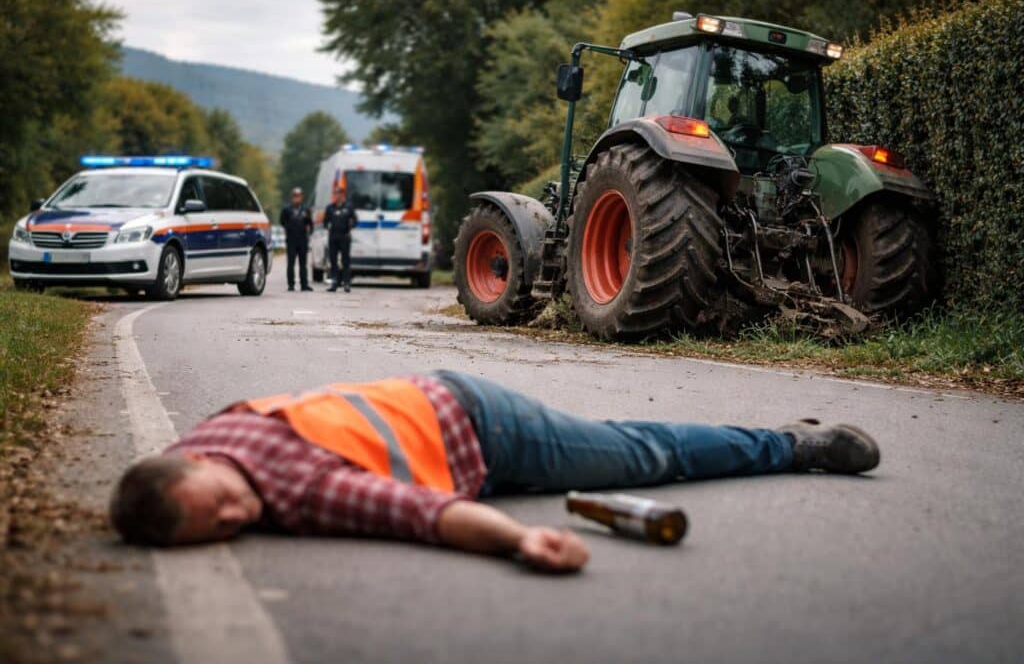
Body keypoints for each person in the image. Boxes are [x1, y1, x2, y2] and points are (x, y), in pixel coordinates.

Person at [109, 371, 880, 572]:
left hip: (483, 428)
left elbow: (423, 516)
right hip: (451, 439)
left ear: (204, 464)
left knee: (646, 455)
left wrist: (519, 543)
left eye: (223, 506)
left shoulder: (293, 483)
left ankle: (794, 443)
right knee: (631, 453)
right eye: (219, 531)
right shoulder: (196, 447)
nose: (242, 518)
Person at [323, 186, 358, 292]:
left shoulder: (349, 207)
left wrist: (351, 227)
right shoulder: (330, 208)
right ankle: (334, 282)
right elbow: (325, 221)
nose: (337, 196)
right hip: (333, 237)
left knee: (345, 261)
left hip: (344, 236)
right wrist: (327, 226)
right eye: (336, 194)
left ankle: (346, 283)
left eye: (339, 194)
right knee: (333, 260)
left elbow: (355, 220)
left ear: (343, 195)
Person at [280, 187, 313, 292]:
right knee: (291, 263)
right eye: (295, 196)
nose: (296, 198)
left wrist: (309, 233)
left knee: (303, 264)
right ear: (292, 197)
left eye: (298, 196)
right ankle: (291, 284)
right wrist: (288, 228)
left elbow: (310, 223)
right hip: (291, 240)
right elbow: (282, 221)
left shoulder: (306, 210)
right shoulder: (287, 209)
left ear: (301, 197)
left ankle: (304, 285)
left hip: (303, 239)